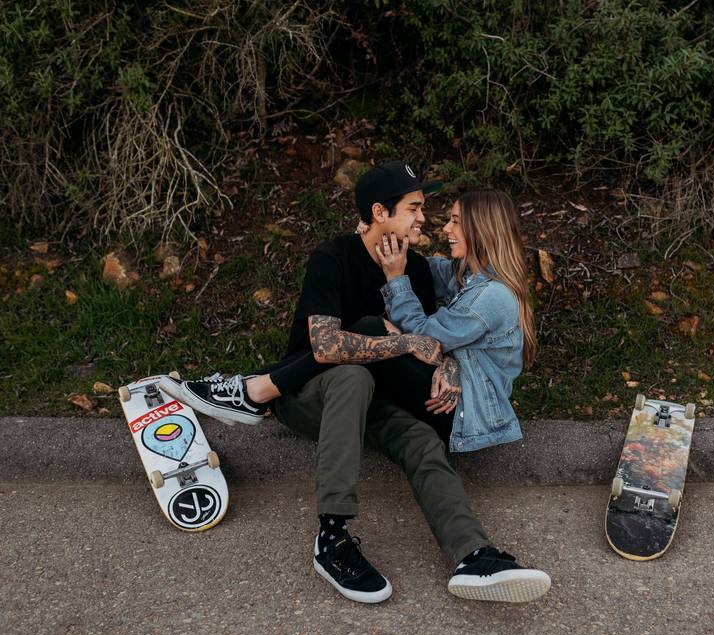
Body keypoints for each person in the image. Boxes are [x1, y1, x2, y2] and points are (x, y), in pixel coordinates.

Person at [162, 161, 551, 604]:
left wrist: (448, 361)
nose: (427, 219)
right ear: (380, 213)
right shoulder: (334, 256)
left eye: (434, 212)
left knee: (422, 441)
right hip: (311, 396)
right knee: (353, 364)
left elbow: (440, 336)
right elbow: (328, 345)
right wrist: (402, 342)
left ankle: (474, 555)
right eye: (415, 208)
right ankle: (331, 537)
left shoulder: (416, 271)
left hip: (378, 401)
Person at [374, 189, 536, 454]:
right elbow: (429, 270)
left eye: (456, 222)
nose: (447, 229)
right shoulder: (475, 275)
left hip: (460, 412)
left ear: (482, 229)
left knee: (369, 331)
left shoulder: (491, 296)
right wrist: (383, 239)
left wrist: (395, 280)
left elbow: (422, 334)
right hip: (452, 396)